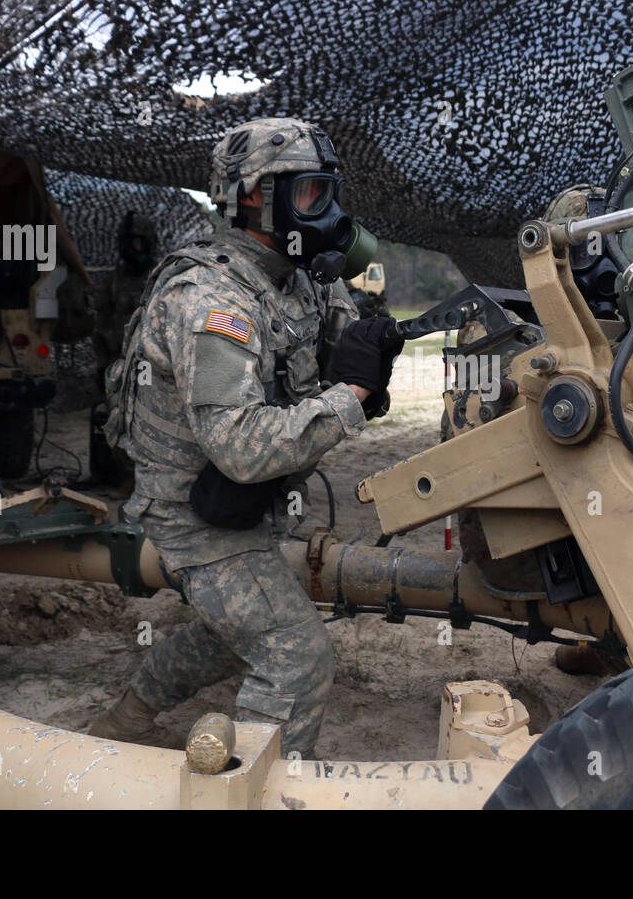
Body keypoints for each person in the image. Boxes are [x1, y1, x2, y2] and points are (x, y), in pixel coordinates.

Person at [89, 118, 402, 756]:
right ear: (260, 196)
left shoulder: (297, 278)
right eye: (313, 194)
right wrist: (353, 397)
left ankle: (125, 718)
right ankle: (245, 791)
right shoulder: (210, 298)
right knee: (294, 653)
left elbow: (336, 345)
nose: (330, 211)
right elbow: (240, 444)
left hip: (243, 501)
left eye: (327, 193)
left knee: (232, 629)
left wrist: (372, 351)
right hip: (192, 514)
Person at [93, 211, 159, 382]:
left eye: (138, 242)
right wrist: (102, 366)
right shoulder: (115, 280)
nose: (133, 248)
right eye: (130, 243)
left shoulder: (160, 278)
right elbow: (101, 324)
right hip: (119, 363)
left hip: (150, 366)